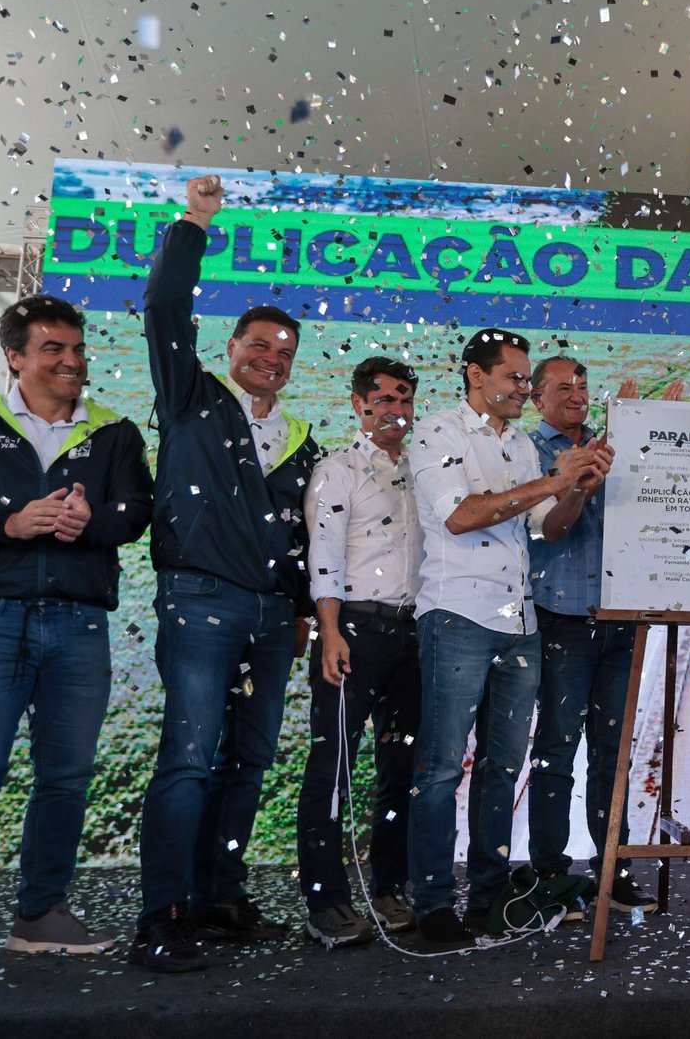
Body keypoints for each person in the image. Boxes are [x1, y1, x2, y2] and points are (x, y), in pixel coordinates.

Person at [134, 176, 323, 973]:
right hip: (200, 600)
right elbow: (162, 308)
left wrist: (303, 610)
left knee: (248, 760)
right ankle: (163, 913)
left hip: (273, 616)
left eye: (283, 353)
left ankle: (218, 892)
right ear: (230, 348)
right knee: (188, 755)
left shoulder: (305, 442)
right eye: (259, 345)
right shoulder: (191, 398)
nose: (270, 359)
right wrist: (194, 223)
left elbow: (310, 536)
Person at [0, 296, 152, 982]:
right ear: (15, 356)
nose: (71, 361)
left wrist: (92, 523)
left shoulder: (114, 431)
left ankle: (39, 915)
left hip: (77, 622)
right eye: (53, 349)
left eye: (77, 349)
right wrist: (6, 525)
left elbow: (136, 512)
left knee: (65, 776)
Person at [405, 330, 610, 950]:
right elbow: (461, 515)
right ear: (476, 375)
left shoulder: (520, 444)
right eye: (515, 378)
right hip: (456, 617)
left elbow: (547, 529)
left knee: (503, 767)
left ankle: (489, 894)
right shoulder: (437, 432)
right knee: (442, 767)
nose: (524, 389)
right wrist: (553, 481)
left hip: (519, 623)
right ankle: (432, 902)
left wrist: (578, 486)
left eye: (526, 380)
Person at [524, 360, 682, 915]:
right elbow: (549, 529)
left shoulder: (614, 442)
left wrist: (652, 431)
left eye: (583, 386)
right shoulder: (530, 453)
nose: (577, 395)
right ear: (536, 398)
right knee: (556, 749)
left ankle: (613, 870)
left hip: (621, 618)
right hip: (561, 619)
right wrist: (588, 475)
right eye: (562, 387)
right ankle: (549, 876)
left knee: (613, 754)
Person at [296, 357, 424, 949]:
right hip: (353, 629)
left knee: (402, 768)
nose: (397, 409)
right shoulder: (336, 469)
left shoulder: (423, 469)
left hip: (414, 632)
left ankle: (391, 887)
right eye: (385, 399)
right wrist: (330, 631)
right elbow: (322, 556)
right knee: (333, 766)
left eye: (405, 398)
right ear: (359, 403)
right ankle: (326, 901)